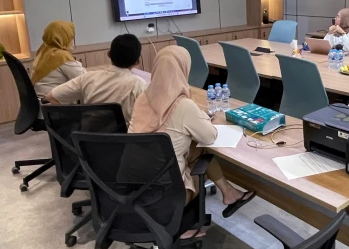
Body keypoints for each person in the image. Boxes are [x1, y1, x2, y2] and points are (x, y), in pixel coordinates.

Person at [129, 46, 255, 237]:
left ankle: (229, 192)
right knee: (203, 150)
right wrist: (218, 119)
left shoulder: (142, 99)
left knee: (193, 146)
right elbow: (210, 136)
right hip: (169, 198)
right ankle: (180, 226)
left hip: (135, 189)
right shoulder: (183, 105)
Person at [44, 34, 147, 124]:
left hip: (87, 139)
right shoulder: (139, 85)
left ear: (109, 55)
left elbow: (50, 97)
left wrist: (75, 120)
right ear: (137, 62)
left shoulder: (87, 78)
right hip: (124, 139)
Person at [31, 21, 85, 97]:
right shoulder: (60, 55)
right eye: (71, 38)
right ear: (64, 37)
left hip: (41, 100)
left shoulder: (43, 51)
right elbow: (84, 78)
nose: (72, 41)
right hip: (55, 101)